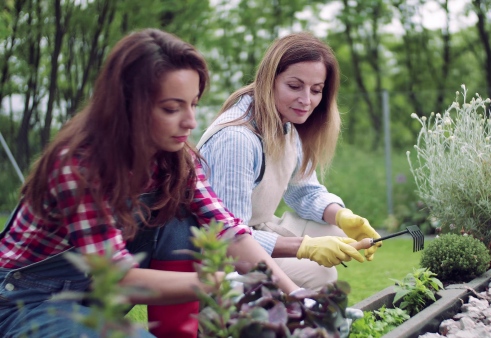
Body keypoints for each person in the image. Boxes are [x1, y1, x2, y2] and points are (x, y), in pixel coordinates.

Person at [0, 28, 301, 338]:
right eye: (172, 108)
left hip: (89, 291)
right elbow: (117, 277)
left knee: (185, 215)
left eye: (193, 104)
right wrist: (210, 282)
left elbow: (229, 230)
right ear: (128, 105)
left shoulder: (174, 157)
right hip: (26, 299)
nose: (190, 122)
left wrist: (296, 298)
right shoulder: (79, 166)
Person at [197, 32, 382, 292]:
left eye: (316, 90)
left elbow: (304, 192)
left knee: (337, 233)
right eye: (295, 86)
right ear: (268, 80)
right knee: (320, 275)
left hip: (252, 231)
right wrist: (305, 248)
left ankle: (286, 310)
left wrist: (343, 216)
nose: (307, 100)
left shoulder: (285, 124)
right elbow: (228, 238)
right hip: (217, 256)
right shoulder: (237, 139)